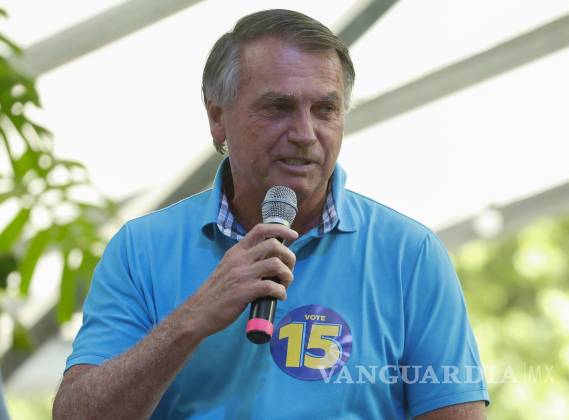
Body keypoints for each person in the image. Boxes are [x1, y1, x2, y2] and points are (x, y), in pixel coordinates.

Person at [53, 9, 489, 419]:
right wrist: (193, 318)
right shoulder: (141, 250)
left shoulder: (410, 254)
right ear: (217, 118)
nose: (305, 133)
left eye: (325, 110)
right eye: (279, 107)